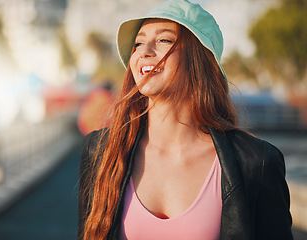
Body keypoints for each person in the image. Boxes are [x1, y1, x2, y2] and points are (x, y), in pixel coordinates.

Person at [78, 0, 294, 239]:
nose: (144, 51)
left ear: (199, 60)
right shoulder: (102, 152)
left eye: (164, 40)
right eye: (138, 43)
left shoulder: (256, 163)